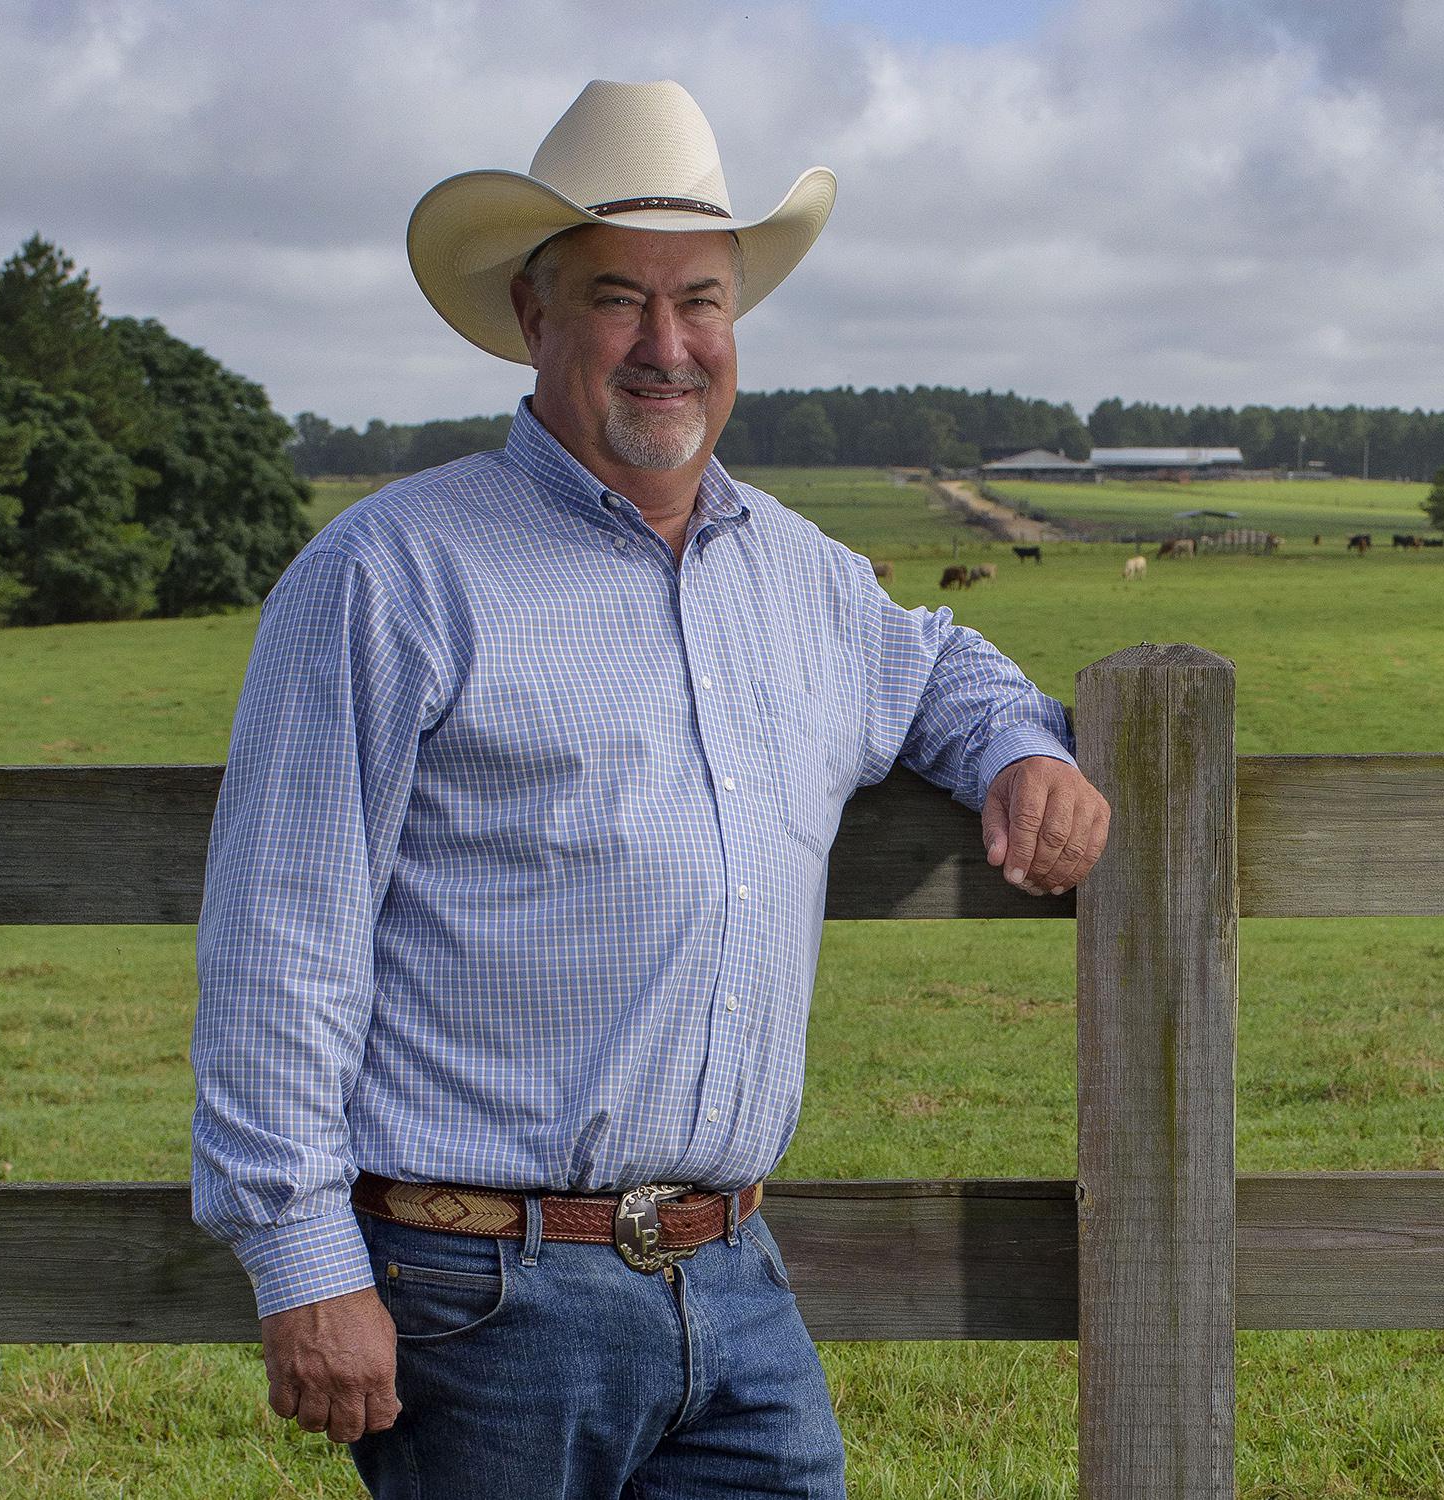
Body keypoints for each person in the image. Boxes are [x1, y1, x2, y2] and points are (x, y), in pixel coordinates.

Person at [190, 79, 1110, 1499]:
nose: (666, 345)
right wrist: (303, 1262)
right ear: (530, 315)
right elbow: (280, 939)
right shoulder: (391, 578)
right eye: (617, 298)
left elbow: (935, 671)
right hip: (476, 1294)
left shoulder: (798, 573)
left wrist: (1023, 750)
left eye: (702, 301)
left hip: (731, 1276)